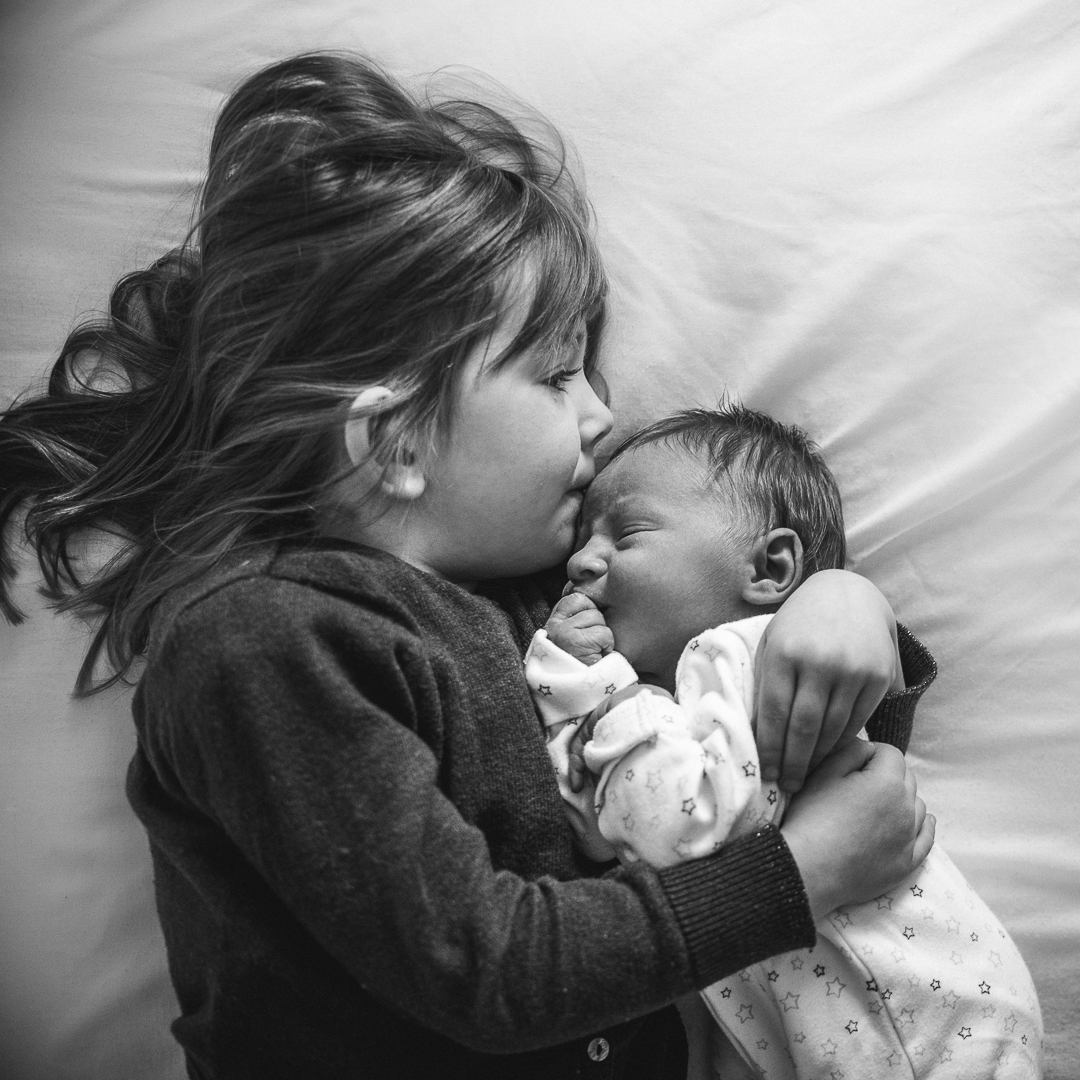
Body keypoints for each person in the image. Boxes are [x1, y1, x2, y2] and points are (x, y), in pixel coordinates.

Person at [0, 52, 935, 1079]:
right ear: (395, 443)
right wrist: (796, 879)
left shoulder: (550, 602)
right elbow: (489, 973)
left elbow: (813, 777)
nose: (603, 413)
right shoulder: (261, 645)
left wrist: (848, 617)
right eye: (557, 372)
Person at [525, 404, 1043, 1078]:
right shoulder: (663, 705)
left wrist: (590, 688)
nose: (582, 559)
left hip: (929, 1028)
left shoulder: (749, 655)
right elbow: (598, 836)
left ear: (769, 570)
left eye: (627, 532)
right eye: (585, 536)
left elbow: (679, 832)